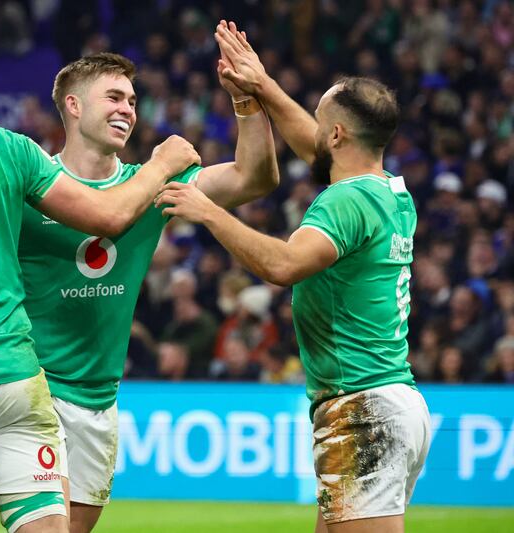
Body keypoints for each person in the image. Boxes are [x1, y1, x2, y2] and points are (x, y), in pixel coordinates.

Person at [0, 48, 278, 533]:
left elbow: (254, 177)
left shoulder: (152, 186)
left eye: (133, 100)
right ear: (73, 105)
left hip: (95, 398)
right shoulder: (22, 182)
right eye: (113, 97)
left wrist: (247, 101)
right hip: (23, 386)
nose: (127, 109)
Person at [157, 21, 431, 533]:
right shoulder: (393, 193)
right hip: (390, 401)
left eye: (321, 119)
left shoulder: (345, 201)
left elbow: (283, 266)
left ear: (338, 135)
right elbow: (317, 146)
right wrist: (259, 84)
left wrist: (208, 210)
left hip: (363, 409)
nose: (312, 129)